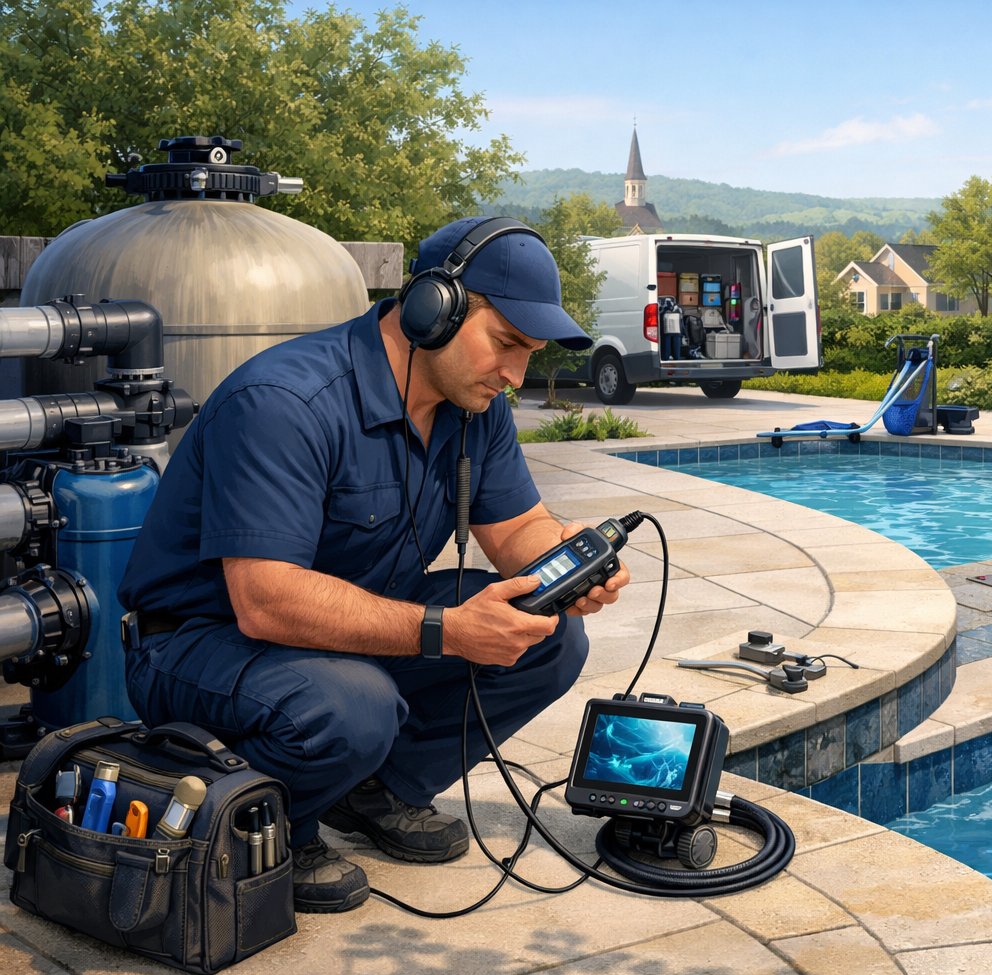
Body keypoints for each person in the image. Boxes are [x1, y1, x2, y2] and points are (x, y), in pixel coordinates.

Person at [119, 216, 629, 913]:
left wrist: (566, 568)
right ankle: (270, 828)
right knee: (354, 705)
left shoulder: (474, 405)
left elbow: (518, 530)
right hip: (198, 642)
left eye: (530, 354)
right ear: (433, 309)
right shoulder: (283, 402)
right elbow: (265, 601)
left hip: (345, 632)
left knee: (547, 636)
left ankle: (377, 791)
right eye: (507, 344)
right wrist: (446, 630)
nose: (516, 375)